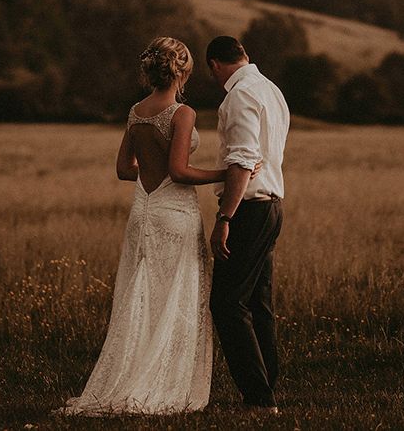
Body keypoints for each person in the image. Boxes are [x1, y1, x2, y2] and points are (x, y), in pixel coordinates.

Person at [55, 36, 259, 416]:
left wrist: (152, 176)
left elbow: (122, 169)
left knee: (142, 297)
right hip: (175, 214)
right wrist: (228, 173)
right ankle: (163, 383)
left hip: (144, 210)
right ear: (182, 71)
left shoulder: (136, 112)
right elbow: (180, 171)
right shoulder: (182, 114)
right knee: (176, 297)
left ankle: (131, 376)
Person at [206, 36, 290, 413]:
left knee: (226, 303)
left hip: (249, 208)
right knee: (259, 304)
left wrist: (225, 217)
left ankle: (258, 398)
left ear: (214, 65)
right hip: (272, 205)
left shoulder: (239, 95)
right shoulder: (271, 89)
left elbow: (242, 160)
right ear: (244, 56)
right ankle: (267, 389)